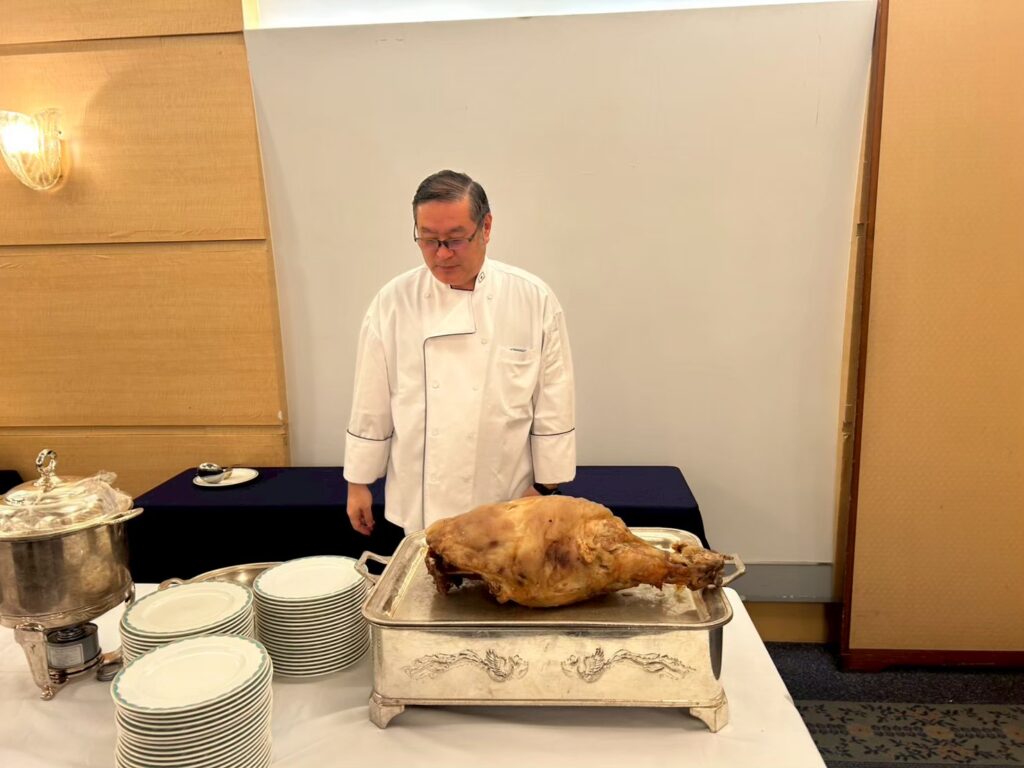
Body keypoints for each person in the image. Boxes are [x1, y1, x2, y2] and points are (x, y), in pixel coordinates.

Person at [344, 169, 576, 537]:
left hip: (509, 497)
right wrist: (358, 482)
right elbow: (371, 400)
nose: (442, 254)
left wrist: (546, 487)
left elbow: (554, 401)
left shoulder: (532, 299)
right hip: (421, 499)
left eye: (455, 239)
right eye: (428, 240)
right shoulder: (393, 301)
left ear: (486, 227)